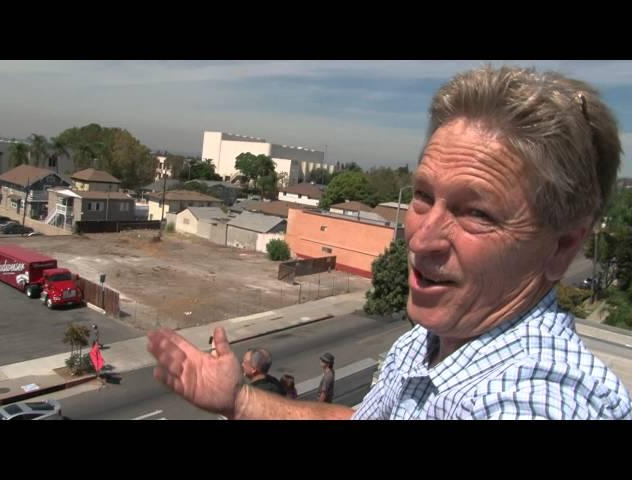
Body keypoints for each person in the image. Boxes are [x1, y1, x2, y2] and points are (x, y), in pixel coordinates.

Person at [148, 65, 632, 419]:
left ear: (562, 247)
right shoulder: (427, 342)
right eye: (423, 196)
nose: (422, 239)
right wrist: (241, 399)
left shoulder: (535, 398)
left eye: (476, 212)